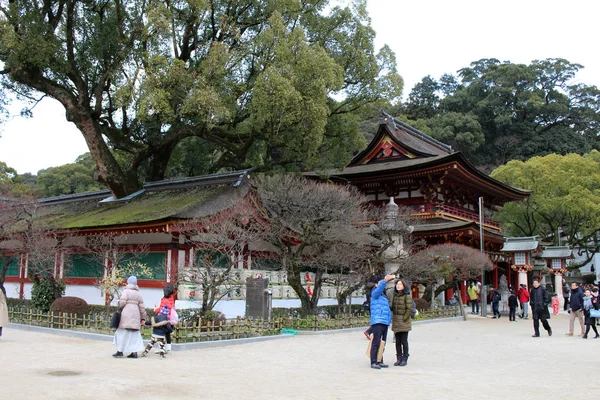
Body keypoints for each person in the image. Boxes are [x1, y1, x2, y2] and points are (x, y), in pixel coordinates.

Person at [113, 276, 147, 359]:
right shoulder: (138, 294)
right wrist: (143, 318)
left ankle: (120, 351)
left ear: (128, 282)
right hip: (135, 315)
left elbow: (122, 303)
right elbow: (142, 308)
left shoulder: (126, 291)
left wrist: (118, 304)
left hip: (126, 314)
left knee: (122, 333)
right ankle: (134, 353)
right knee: (134, 335)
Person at [368, 274, 395, 369]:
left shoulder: (383, 295)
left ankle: (380, 359)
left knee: (382, 342)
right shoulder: (375, 293)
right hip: (377, 320)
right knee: (376, 341)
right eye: (380, 283)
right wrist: (385, 280)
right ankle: (373, 361)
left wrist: (389, 319)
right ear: (376, 284)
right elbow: (379, 289)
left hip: (384, 321)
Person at [390, 279, 411, 366]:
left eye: (400, 284)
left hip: (403, 321)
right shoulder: (394, 295)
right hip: (396, 320)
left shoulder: (407, 296)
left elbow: (409, 309)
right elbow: (392, 307)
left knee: (404, 341)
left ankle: (405, 358)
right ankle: (398, 358)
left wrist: (404, 318)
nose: (398, 286)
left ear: (404, 286)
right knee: (397, 341)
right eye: (397, 284)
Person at [154, 285, 176, 354]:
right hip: (170, 320)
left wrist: (155, 310)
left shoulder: (164, 300)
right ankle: (169, 349)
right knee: (167, 334)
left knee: (160, 334)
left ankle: (162, 349)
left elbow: (161, 310)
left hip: (163, 319)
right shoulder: (171, 299)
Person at [363, 270, 383, 340]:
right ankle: (369, 332)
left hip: (370, 305)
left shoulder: (368, 287)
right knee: (377, 321)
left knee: (375, 320)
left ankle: (372, 332)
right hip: (374, 305)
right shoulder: (374, 288)